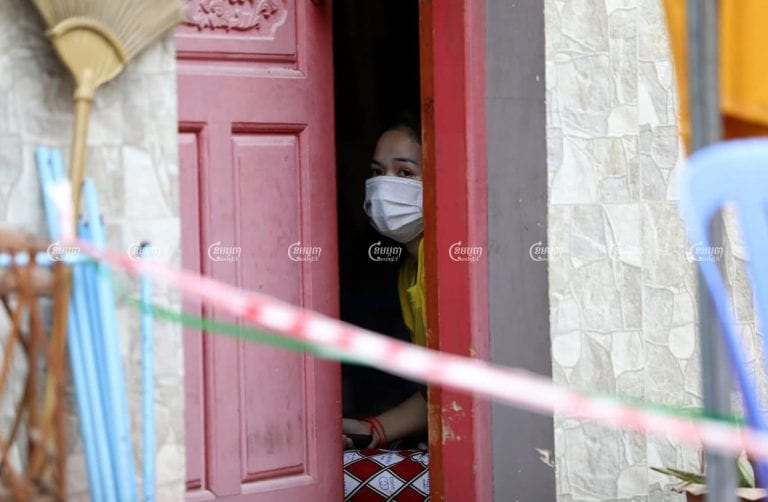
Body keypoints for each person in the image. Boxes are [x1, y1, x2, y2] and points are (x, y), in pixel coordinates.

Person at [342, 115, 427, 449]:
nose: (385, 186)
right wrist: (370, 430)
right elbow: (437, 394)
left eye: (405, 173)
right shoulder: (410, 270)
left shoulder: (456, 266)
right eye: (377, 173)